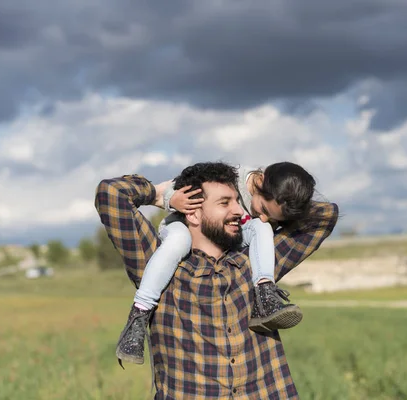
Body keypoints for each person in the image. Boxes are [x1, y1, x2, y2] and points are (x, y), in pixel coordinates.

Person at [95, 161, 338, 399]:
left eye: (237, 200)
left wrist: (272, 188)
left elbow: (324, 215)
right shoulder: (155, 263)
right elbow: (111, 193)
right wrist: (158, 194)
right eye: (224, 203)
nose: (238, 211)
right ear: (192, 212)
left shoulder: (257, 261)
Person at [121, 162, 317, 365]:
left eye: (274, 217)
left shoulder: (273, 202)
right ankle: (139, 314)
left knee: (261, 227)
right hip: (181, 225)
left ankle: (265, 294)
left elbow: (315, 211)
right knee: (179, 242)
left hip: (230, 233)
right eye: (264, 209)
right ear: (259, 181)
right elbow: (182, 185)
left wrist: (297, 195)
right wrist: (171, 198)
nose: (266, 217)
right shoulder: (232, 177)